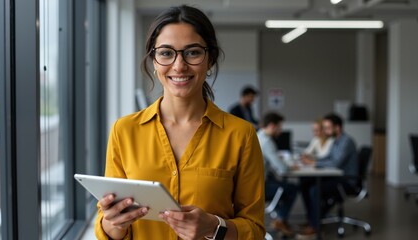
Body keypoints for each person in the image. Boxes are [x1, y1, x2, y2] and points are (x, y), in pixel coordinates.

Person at [95, 5, 265, 240]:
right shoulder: (124, 131)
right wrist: (114, 223)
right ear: (154, 61)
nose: (179, 65)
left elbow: (255, 229)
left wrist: (214, 227)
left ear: (210, 59)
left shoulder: (240, 135)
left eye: (193, 52)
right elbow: (108, 228)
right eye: (166, 53)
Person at [298, 113, 359, 237]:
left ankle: (316, 226)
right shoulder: (337, 140)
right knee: (304, 183)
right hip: (337, 176)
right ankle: (312, 220)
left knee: (315, 189)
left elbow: (336, 163)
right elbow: (328, 157)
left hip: (347, 181)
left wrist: (314, 162)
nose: (325, 131)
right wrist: (313, 160)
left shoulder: (346, 141)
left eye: (327, 128)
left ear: (337, 128)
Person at [257, 112, 298, 238]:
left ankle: (281, 219)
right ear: (272, 126)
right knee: (292, 188)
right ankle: (280, 219)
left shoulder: (258, 135)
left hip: (253, 184)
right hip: (259, 188)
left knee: (282, 186)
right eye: (279, 127)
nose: (280, 130)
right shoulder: (267, 142)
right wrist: (291, 166)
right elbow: (282, 169)